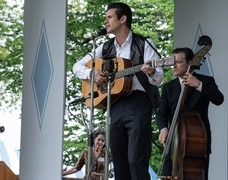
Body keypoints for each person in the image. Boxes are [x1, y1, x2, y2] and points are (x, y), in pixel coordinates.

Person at [73, 2, 163, 180]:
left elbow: (159, 77)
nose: (105, 21)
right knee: (119, 162)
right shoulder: (105, 47)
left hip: (138, 103)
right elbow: (77, 66)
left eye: (109, 17)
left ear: (123, 19)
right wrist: (92, 73)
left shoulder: (143, 43)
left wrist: (151, 71)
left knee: (136, 158)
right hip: (113, 103)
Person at [156, 47, 224, 180]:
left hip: (196, 144)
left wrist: (198, 84)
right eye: (172, 62)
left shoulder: (206, 80)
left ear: (189, 63)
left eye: (178, 62)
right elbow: (161, 113)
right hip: (172, 145)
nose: (174, 65)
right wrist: (163, 128)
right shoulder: (168, 87)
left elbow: (219, 99)